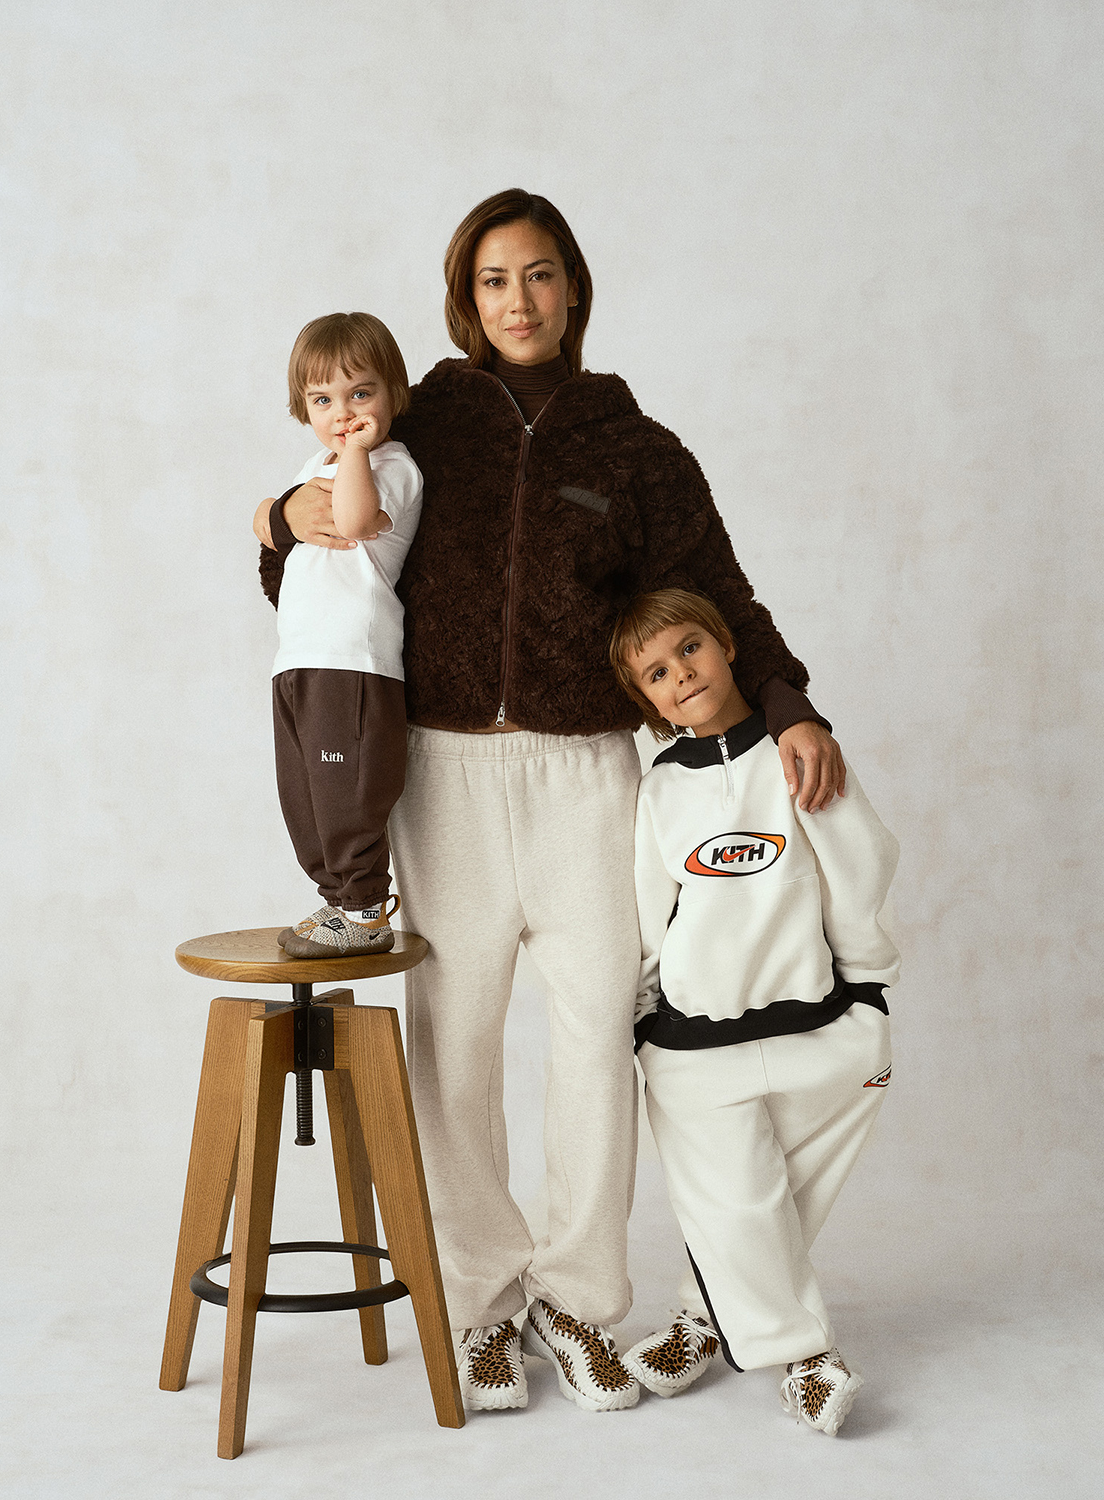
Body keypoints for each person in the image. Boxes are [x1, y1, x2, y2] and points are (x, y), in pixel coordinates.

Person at [254, 190, 846, 1414]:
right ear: (463, 300)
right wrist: (278, 521)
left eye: (537, 275)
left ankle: (575, 1302)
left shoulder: (638, 450)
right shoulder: (424, 423)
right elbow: (325, 555)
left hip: (586, 773)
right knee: (455, 1042)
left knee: (593, 1039)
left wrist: (790, 704)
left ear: (573, 286)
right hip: (444, 772)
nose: (517, 301)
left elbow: (720, 592)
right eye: (491, 280)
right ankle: (481, 1307)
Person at [609, 589, 899, 1436]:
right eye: (655, 674)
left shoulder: (797, 753)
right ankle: (807, 1357)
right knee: (733, 1202)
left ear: (727, 646)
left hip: (821, 1028)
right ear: (647, 702)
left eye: (688, 649)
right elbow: (645, 912)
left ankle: (703, 1319)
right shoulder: (659, 791)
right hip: (694, 1045)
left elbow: (859, 869)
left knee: (779, 1200)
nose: (679, 675)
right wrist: (642, 1022)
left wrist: (867, 988)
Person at [271, 313, 422, 957]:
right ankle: (337, 901)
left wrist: (355, 453)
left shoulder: (394, 466)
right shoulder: (318, 463)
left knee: (346, 795)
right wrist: (271, 511)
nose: (344, 414)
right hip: (301, 657)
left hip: (353, 660)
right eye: (323, 400)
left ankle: (364, 907)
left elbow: (356, 522)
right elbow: (278, 528)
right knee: (304, 798)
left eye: (360, 393)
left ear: (392, 393)